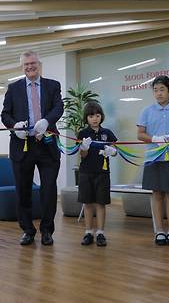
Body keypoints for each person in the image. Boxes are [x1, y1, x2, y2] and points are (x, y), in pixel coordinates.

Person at [1, 50, 63, 246]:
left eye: (33, 63)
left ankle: (47, 230)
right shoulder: (13, 88)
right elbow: (5, 115)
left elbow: (58, 107)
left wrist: (47, 120)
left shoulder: (53, 86)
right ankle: (27, 230)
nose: (30, 67)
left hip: (47, 146)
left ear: (39, 64)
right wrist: (15, 127)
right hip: (22, 147)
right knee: (23, 191)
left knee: (49, 190)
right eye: (26, 64)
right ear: (22, 67)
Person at [137, 75, 169, 247]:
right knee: (157, 194)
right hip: (153, 158)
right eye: (155, 90)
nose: (159, 93)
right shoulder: (146, 110)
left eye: (162, 89)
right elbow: (140, 134)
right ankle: (159, 231)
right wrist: (155, 139)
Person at [77, 101, 117, 247]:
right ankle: (88, 232)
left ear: (102, 117)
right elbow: (82, 155)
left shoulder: (107, 133)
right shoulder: (82, 133)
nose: (95, 118)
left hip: (103, 173)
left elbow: (115, 152)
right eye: (91, 116)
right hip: (86, 173)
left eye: (97, 115)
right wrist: (84, 147)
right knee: (87, 203)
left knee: (101, 203)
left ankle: (100, 233)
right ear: (86, 118)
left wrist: (112, 152)